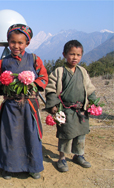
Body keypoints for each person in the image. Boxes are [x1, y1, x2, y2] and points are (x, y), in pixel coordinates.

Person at [0, 24, 48, 180]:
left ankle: (33, 167)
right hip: (11, 106)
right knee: (10, 135)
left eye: (20, 43)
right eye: (12, 42)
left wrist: (32, 84)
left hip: (29, 105)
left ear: (27, 43)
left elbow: (43, 78)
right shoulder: (3, 62)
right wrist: (5, 87)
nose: (16, 46)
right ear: (8, 41)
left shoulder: (34, 59)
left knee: (31, 134)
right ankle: (8, 167)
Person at [45, 40, 97, 172]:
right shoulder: (59, 71)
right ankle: (61, 157)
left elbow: (89, 88)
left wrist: (93, 102)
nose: (75, 57)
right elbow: (51, 89)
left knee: (81, 134)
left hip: (81, 110)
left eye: (78, 55)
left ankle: (79, 155)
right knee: (65, 134)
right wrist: (53, 105)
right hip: (65, 110)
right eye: (72, 54)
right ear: (64, 54)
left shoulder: (83, 72)